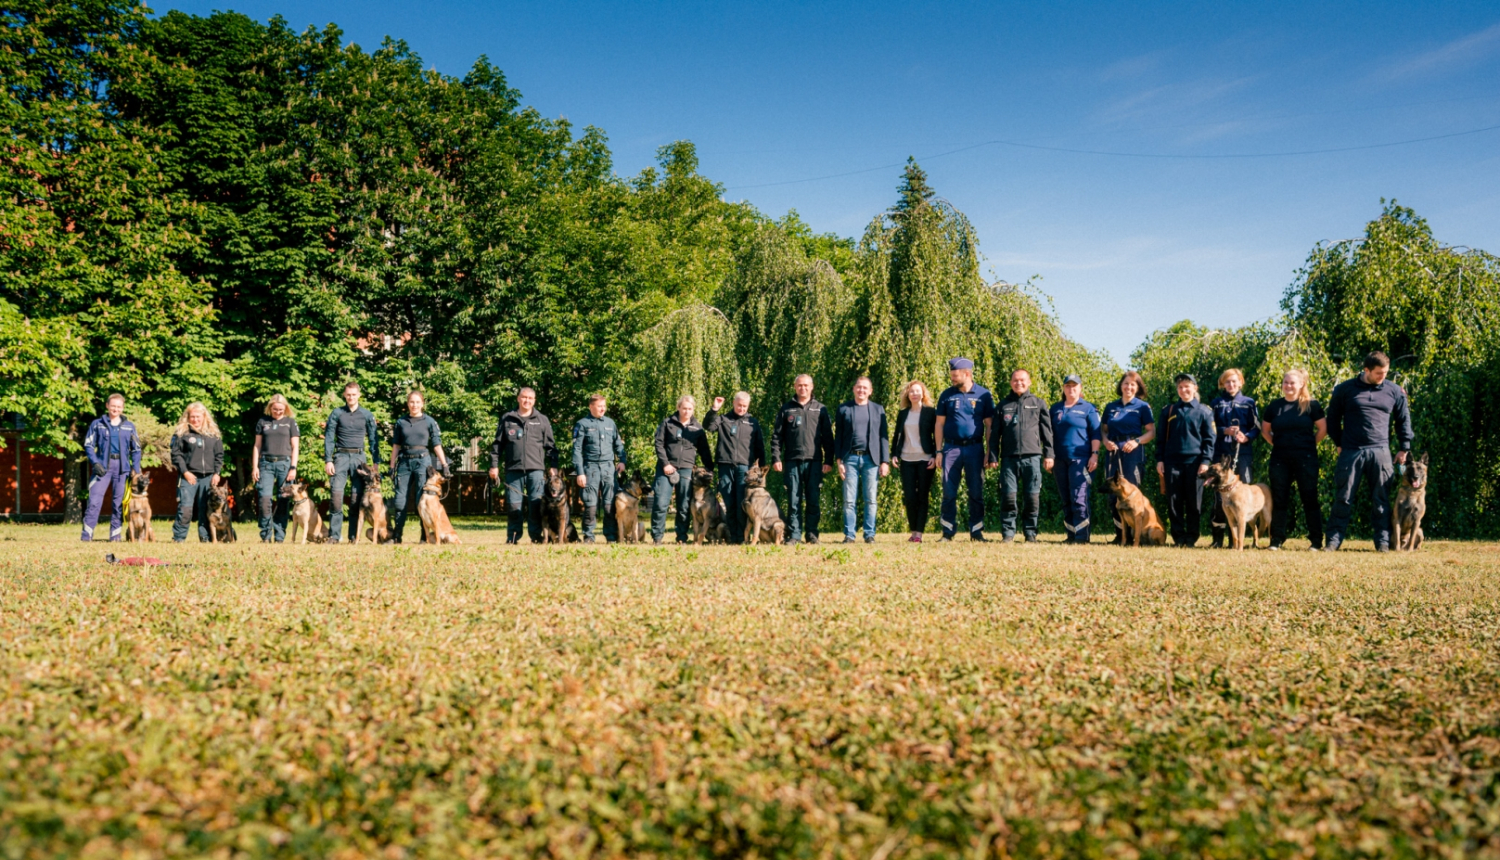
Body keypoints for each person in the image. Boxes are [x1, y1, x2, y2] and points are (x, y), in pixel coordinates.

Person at [1324, 351, 1413, 552]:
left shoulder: (1394, 391)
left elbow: (1403, 420)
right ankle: (1333, 541)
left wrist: (1404, 447)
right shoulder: (1344, 389)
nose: (1383, 376)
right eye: (1379, 373)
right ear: (1366, 370)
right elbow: (1332, 419)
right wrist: (1339, 443)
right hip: (1351, 450)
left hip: (1380, 450)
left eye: (1386, 372)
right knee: (1343, 497)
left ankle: (1382, 542)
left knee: (1381, 499)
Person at [1261, 369, 1327, 551]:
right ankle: (1276, 540)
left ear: (1301, 384)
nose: (1288, 386)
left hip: (1306, 458)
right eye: (1285, 382)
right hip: (1280, 459)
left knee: (1309, 498)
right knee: (1280, 499)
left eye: (1292, 382)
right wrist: (1276, 443)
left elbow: (1322, 429)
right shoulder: (1275, 406)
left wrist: (1308, 444)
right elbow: (1265, 430)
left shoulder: (1311, 405)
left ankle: (1315, 541)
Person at [989, 369, 1054, 543]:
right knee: (1008, 497)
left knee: (1032, 497)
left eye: (1023, 380)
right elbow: (995, 434)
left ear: (1029, 382)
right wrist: (993, 456)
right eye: (1015, 380)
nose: (1019, 383)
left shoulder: (1038, 403)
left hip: (1032, 457)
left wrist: (1049, 455)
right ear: (1011, 382)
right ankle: (1008, 533)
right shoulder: (1003, 405)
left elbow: (1047, 432)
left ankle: (1030, 533)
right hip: (1009, 459)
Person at [935, 358, 995, 541]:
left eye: (955, 375)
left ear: (967, 374)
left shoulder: (984, 395)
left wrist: (988, 451)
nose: (952, 378)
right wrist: (938, 451)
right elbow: (939, 424)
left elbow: (989, 426)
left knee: (976, 491)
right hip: (951, 449)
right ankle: (947, 532)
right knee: (948, 491)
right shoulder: (946, 395)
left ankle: (976, 532)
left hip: (975, 449)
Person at [770, 374, 835, 544]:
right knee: (793, 500)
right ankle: (795, 535)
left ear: (812, 387)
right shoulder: (786, 409)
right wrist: (776, 458)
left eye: (806, 385)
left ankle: (812, 534)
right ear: (795, 387)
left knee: (813, 499)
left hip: (814, 462)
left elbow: (828, 437)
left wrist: (829, 460)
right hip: (792, 461)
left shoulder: (820, 409)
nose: (803, 388)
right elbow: (777, 436)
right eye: (800, 385)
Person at [488, 387, 557, 544]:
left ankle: (536, 537)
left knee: (535, 506)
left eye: (530, 398)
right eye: (524, 397)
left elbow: (551, 447)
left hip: (536, 470)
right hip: (513, 470)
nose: (527, 401)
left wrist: (553, 466)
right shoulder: (507, 418)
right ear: (518, 398)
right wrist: (494, 466)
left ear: (534, 401)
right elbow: (497, 445)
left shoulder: (542, 419)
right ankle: (513, 538)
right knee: (514, 506)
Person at [1155, 373, 1216, 547]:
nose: (1183, 390)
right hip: (1171, 463)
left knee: (1193, 502)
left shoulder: (1204, 411)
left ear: (1195, 388)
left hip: (1195, 464)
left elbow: (1209, 440)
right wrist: (1160, 460)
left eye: (1187, 386)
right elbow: (1161, 438)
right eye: (1180, 387)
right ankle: (1178, 537)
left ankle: (1191, 537)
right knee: (1174, 502)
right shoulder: (1169, 410)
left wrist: (1205, 461)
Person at [703, 391, 766, 544]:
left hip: (744, 468)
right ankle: (732, 537)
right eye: (739, 405)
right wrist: (714, 409)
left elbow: (759, 446)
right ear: (733, 403)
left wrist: (762, 471)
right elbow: (708, 426)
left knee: (741, 504)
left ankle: (742, 537)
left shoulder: (753, 422)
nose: (741, 408)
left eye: (745, 406)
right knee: (729, 502)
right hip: (725, 466)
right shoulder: (724, 419)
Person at [1100, 371, 1155, 545]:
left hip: (1133, 453)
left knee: (1131, 496)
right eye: (1126, 383)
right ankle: (1120, 535)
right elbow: (1103, 430)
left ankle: (1135, 537)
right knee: (1113, 496)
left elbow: (1151, 432)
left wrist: (1137, 441)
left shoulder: (1143, 406)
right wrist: (1106, 441)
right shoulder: (1111, 406)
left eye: (1133, 384)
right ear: (1121, 386)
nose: (1129, 387)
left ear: (1138, 387)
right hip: (1113, 451)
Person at [1208, 369, 1261, 548]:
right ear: (1222, 384)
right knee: (1219, 498)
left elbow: (1257, 427)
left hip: (1242, 454)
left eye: (1234, 382)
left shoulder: (1249, 403)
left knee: (1242, 497)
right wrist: (1224, 430)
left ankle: (1236, 541)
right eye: (1227, 382)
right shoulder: (1216, 403)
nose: (1230, 385)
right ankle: (1217, 539)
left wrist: (1246, 437)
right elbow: (1209, 428)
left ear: (1240, 383)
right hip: (1221, 454)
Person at [80, 393, 143, 542]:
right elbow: (88, 445)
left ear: (123, 408)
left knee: (118, 503)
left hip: (122, 469)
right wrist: (95, 463)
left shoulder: (129, 426)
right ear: (107, 406)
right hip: (102, 468)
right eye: (113, 405)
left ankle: (115, 536)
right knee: (94, 502)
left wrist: (136, 470)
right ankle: (86, 535)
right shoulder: (97, 424)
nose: (116, 409)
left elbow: (136, 449)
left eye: (119, 406)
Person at [651, 395, 713, 545]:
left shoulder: (697, 428)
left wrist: (710, 469)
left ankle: (681, 537)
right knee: (660, 502)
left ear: (693, 409)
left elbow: (704, 451)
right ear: (678, 407)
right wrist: (665, 464)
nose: (687, 411)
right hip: (666, 468)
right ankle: (657, 537)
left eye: (690, 409)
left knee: (684, 505)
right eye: (684, 408)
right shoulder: (667, 423)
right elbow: (659, 444)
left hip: (686, 469)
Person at [323, 382, 380, 544]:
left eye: (354, 394)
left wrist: (375, 461)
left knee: (356, 499)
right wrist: (328, 460)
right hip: (340, 457)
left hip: (359, 459)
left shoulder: (367, 415)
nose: (351, 397)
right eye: (348, 394)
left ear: (359, 395)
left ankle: (353, 536)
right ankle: (334, 536)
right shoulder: (337, 413)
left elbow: (374, 439)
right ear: (344, 395)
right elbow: (329, 438)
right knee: (336, 496)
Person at [835, 377, 890, 543]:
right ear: (854, 389)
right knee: (849, 500)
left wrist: (885, 461)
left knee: (871, 499)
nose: (861, 391)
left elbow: (883, 437)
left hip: (871, 459)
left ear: (870, 391)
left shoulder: (878, 409)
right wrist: (839, 461)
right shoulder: (844, 409)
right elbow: (838, 437)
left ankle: (869, 534)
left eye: (865, 388)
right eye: (859, 387)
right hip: (849, 458)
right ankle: (850, 535)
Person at [390, 391, 449, 544]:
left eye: (417, 402)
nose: (414, 405)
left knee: (421, 501)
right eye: (411, 402)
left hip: (423, 462)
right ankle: (397, 535)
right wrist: (391, 467)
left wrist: (444, 465)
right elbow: (396, 446)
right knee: (399, 501)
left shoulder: (429, 421)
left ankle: (425, 536)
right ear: (407, 403)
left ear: (422, 404)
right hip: (404, 462)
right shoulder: (401, 422)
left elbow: (436, 444)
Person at [1048, 375, 1100, 543]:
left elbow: (1096, 434)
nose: (1071, 389)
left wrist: (1095, 454)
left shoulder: (1088, 408)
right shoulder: (1055, 408)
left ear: (1080, 387)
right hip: (1059, 460)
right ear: (1063, 388)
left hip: (1081, 460)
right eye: (1068, 386)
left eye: (1074, 386)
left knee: (1079, 497)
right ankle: (1071, 534)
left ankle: (1082, 536)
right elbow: (1048, 434)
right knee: (1066, 498)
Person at [573, 394, 626, 543]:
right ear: (591, 407)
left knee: (609, 503)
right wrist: (580, 473)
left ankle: (610, 536)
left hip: (609, 468)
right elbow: (576, 450)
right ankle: (589, 536)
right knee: (590, 504)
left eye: (604, 406)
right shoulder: (582, 424)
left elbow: (618, 444)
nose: (602, 408)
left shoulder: (610, 423)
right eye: (599, 406)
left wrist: (622, 461)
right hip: (591, 468)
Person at [170, 402, 225, 543]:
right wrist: (185, 472)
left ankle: (205, 538)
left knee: (204, 509)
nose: (195, 419)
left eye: (198, 417)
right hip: (188, 476)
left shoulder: (214, 435)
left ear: (204, 417)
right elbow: (176, 455)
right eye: (192, 416)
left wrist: (217, 473)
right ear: (187, 417)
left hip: (208, 477)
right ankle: (179, 538)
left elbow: (219, 456)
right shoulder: (182, 434)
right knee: (185, 508)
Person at [891, 380, 937, 542]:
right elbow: (897, 435)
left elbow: (937, 436)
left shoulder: (931, 412)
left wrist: (935, 455)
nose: (915, 394)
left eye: (918, 391)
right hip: (906, 459)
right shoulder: (903, 413)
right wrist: (894, 454)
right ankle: (913, 531)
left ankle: (919, 534)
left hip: (925, 459)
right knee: (910, 497)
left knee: (922, 497)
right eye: (912, 391)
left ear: (923, 394)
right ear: (908, 395)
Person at [251, 394, 300, 543]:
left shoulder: (290, 423)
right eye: (275, 409)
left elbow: (295, 446)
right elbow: (257, 446)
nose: (277, 412)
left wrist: (293, 467)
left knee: (283, 500)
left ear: (285, 408)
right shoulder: (262, 422)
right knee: (264, 498)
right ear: (270, 407)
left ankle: (279, 536)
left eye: (281, 409)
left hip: (284, 464)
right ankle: (265, 535)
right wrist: (255, 467)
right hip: (266, 464)